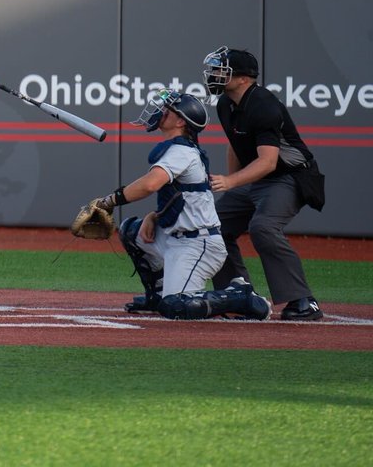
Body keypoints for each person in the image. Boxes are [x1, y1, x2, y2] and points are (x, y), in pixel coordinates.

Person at [88, 88, 270, 320]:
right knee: (132, 231)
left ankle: (240, 296)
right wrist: (155, 216)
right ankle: (157, 295)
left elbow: (150, 184)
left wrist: (109, 202)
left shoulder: (182, 151)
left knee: (176, 307)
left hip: (198, 245)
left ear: (181, 122)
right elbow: (178, 197)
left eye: (169, 109)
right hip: (176, 237)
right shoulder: (177, 149)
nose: (162, 111)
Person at [203, 46, 326, 321]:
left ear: (244, 79)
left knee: (263, 227)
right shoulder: (226, 103)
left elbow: (269, 162)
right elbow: (235, 145)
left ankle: (303, 300)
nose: (215, 75)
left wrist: (231, 180)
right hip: (257, 176)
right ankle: (237, 295)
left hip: (290, 176)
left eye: (223, 70)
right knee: (214, 226)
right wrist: (234, 185)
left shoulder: (264, 105)